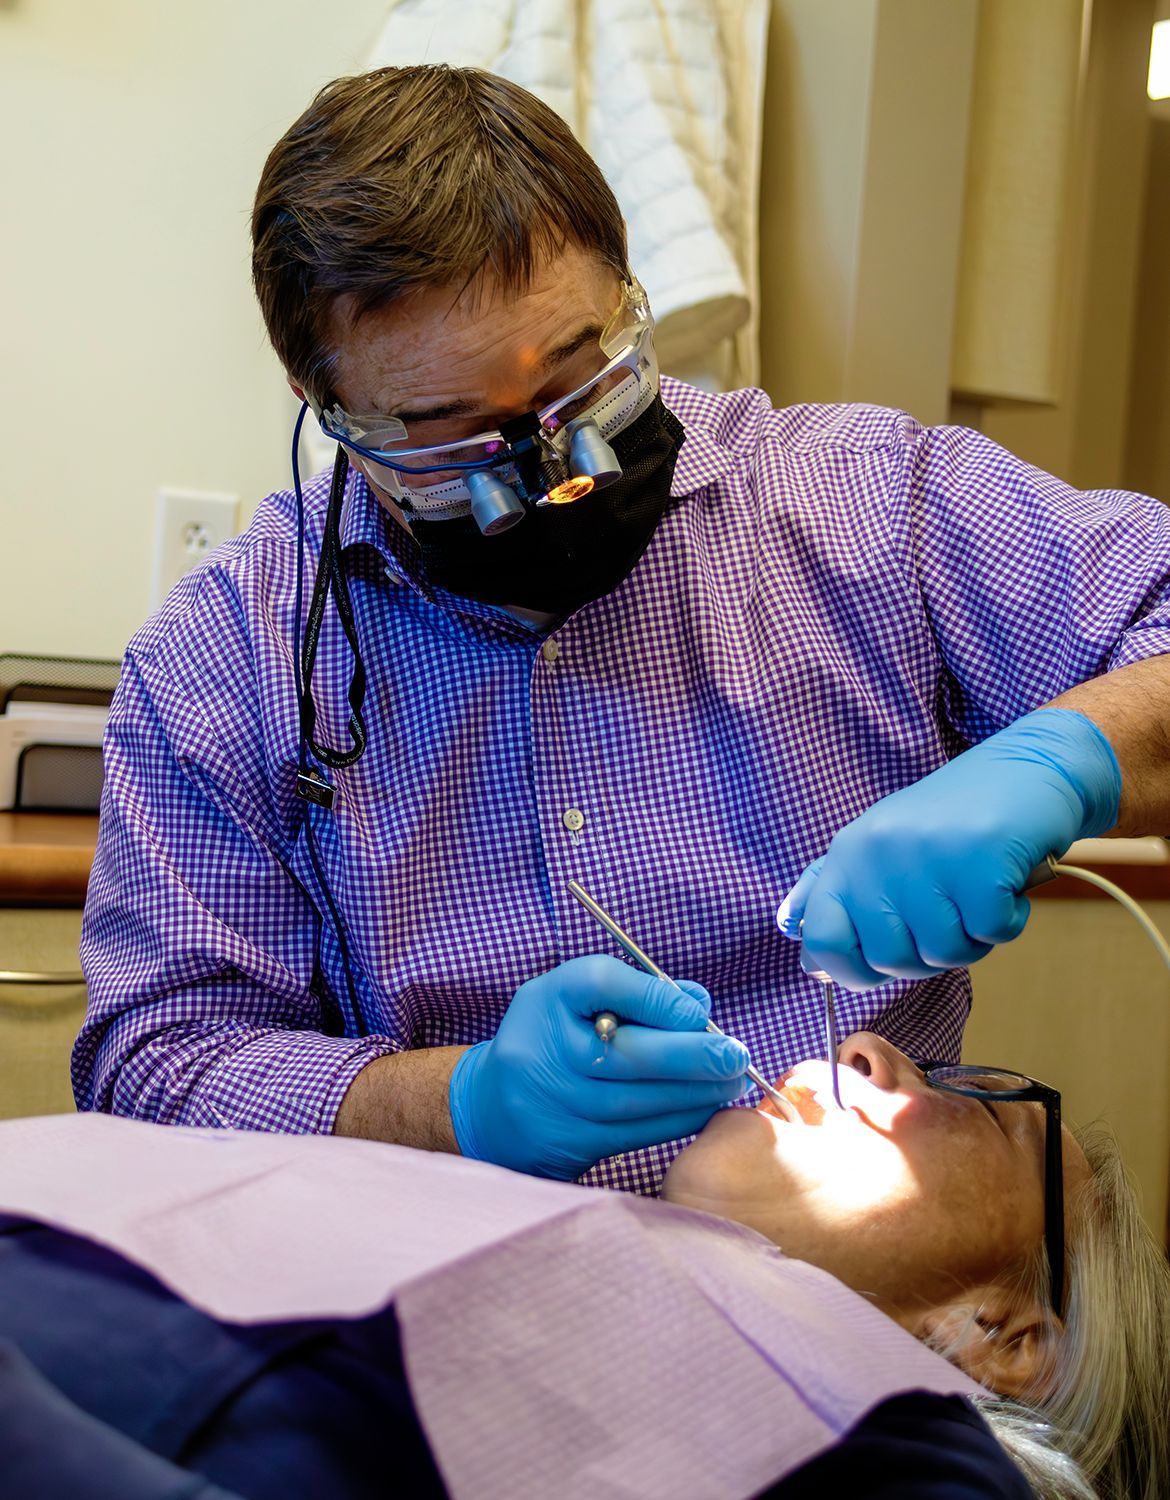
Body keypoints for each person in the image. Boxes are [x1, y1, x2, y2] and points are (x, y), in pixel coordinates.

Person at [75, 64, 1170, 1196]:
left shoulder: (872, 505)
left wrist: (1065, 762)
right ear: (328, 411)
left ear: (631, 293)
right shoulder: (222, 661)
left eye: (580, 383)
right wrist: (462, 1105)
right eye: (453, 440)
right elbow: (154, 1065)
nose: (561, 477)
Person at [7, 1033, 1170, 1498]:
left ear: (1005, 1337)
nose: (869, 1042)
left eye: (982, 1112)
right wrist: (453, 1103)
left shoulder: (918, 1464)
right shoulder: (642, 1269)